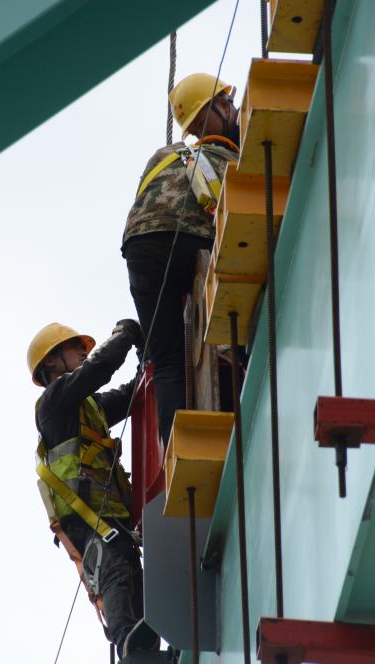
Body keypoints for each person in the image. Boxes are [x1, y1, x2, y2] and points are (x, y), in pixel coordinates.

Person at [122, 72, 241, 447]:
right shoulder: (230, 157)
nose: (235, 110)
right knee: (238, 313)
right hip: (192, 236)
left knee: (168, 358)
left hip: (140, 245)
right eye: (229, 103)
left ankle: (175, 448)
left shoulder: (163, 155)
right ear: (217, 107)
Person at [28, 320, 160, 657]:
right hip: (86, 519)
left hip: (110, 516)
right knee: (114, 567)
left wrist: (150, 360)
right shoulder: (53, 404)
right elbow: (99, 368)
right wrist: (126, 334)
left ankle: (142, 650)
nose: (84, 353)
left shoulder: (92, 408)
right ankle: (126, 637)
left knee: (136, 580)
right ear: (52, 363)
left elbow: (133, 394)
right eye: (76, 349)